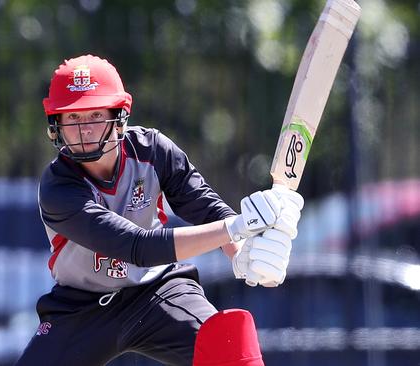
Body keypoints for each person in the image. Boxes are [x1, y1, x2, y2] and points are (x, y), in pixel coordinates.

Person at [15, 54, 304, 366]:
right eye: (73, 118)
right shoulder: (58, 187)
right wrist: (236, 227)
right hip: (81, 308)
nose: (84, 130)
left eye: (95, 115)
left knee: (229, 352)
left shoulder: (153, 150)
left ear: (119, 115)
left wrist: (241, 251)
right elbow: (137, 246)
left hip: (156, 290)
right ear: (56, 125)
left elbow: (204, 206)